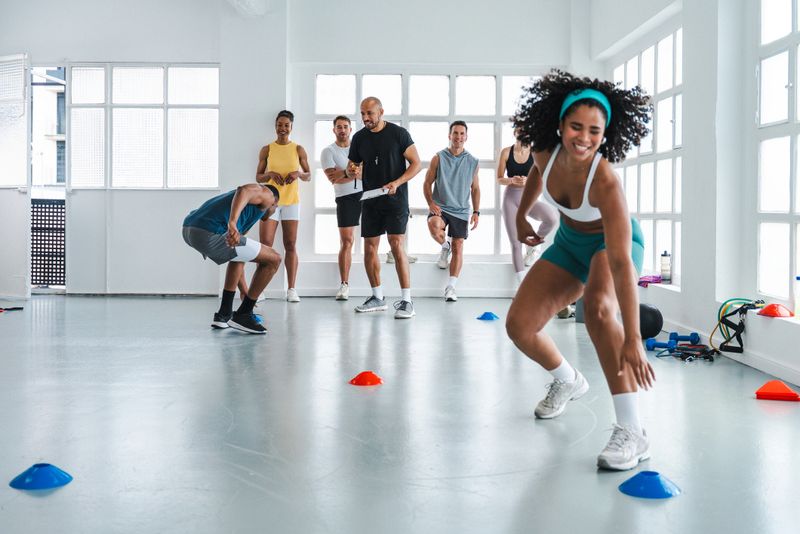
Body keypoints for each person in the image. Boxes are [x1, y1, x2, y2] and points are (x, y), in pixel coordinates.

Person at [505, 70, 654, 470]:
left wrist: (634, 337)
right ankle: (569, 379)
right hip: (571, 244)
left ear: (605, 133)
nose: (583, 138)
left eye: (594, 130)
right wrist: (522, 216)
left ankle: (633, 431)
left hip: (611, 246)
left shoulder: (605, 181)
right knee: (519, 325)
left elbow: (622, 263)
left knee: (600, 312)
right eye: (575, 126)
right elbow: (537, 176)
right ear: (560, 125)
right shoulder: (543, 151)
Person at [347, 97, 422, 318]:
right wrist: (352, 171)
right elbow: (353, 166)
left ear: (381, 111)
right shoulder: (359, 138)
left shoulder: (399, 134)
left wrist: (397, 183)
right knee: (369, 248)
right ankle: (377, 297)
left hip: (396, 198)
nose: (365, 118)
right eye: (362, 114)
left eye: (369, 113)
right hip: (371, 198)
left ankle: (407, 301)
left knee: (396, 245)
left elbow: (417, 164)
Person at [182, 184, 282, 334]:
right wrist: (232, 222)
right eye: (277, 207)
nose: (275, 210)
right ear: (274, 202)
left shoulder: (247, 213)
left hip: (189, 230)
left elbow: (238, 255)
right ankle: (244, 314)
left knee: (239, 254)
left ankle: (223, 314)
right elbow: (244, 190)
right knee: (274, 259)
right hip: (207, 231)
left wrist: (244, 291)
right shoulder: (267, 195)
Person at [255, 110, 311, 303]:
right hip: (270, 203)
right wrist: (270, 174)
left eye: (286, 125)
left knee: (291, 245)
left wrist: (297, 174)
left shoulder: (298, 149)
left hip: (291, 202)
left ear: (291, 127)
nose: (283, 128)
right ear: (275, 126)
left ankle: (292, 289)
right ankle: (258, 290)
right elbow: (258, 177)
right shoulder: (267, 149)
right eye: (280, 124)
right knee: (265, 246)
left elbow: (308, 175)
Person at [423, 120, 480, 302]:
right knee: (434, 225)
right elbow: (426, 183)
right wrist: (431, 203)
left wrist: (476, 212)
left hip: (461, 210)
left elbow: (476, 189)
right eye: (455, 133)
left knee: (458, 246)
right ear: (450, 136)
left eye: (462, 134)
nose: (458, 137)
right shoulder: (438, 157)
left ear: (466, 137)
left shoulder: (472, 161)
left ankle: (451, 287)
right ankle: (444, 246)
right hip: (441, 206)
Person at [497, 128, 559, 284]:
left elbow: (544, 178)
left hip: (528, 197)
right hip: (510, 199)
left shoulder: (535, 153)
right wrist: (511, 180)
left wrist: (527, 181)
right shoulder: (506, 152)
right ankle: (521, 285)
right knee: (516, 243)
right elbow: (499, 179)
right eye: (520, 131)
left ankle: (532, 247)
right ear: (515, 133)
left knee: (551, 218)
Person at [321, 115, 362, 301]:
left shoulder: (361, 148)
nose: (343, 130)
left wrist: (346, 173)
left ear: (350, 129)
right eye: (339, 127)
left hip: (367, 195)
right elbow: (332, 178)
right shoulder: (328, 151)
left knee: (375, 238)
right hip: (345, 198)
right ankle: (344, 284)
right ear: (334, 130)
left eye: (346, 126)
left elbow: (368, 174)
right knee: (347, 241)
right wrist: (348, 172)